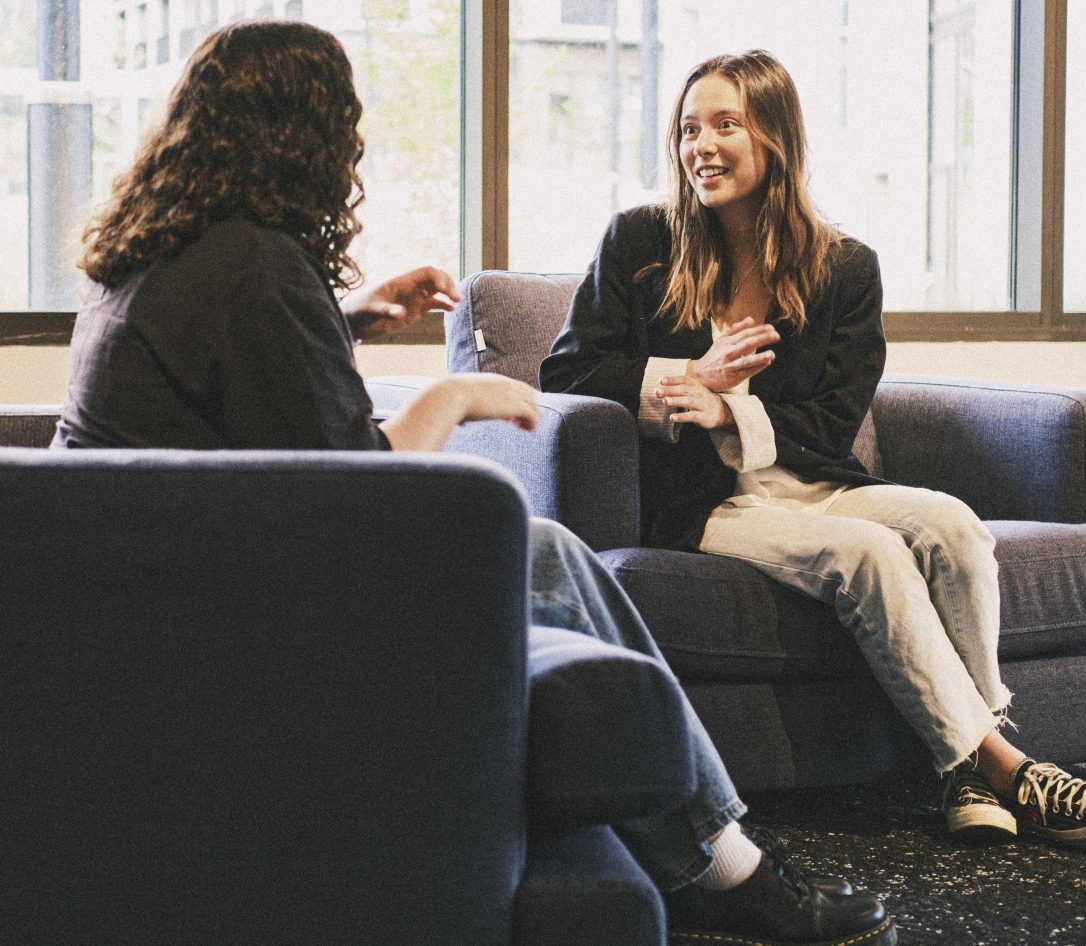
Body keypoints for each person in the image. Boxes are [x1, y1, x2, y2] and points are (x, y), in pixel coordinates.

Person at [51, 22, 897, 946]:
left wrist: (348, 318)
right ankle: (722, 862)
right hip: (223, 601)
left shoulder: (165, 250)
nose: (353, 149)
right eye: (344, 125)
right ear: (301, 135)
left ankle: (707, 844)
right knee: (539, 551)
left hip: (147, 580)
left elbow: (253, 397)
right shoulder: (255, 269)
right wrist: (455, 396)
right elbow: (364, 492)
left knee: (542, 554)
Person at [540, 49, 1086, 858]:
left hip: (812, 480)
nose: (702, 147)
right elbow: (567, 373)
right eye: (689, 128)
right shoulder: (641, 243)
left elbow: (830, 424)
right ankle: (1010, 768)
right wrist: (686, 379)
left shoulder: (842, 268)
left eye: (726, 124)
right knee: (868, 554)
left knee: (953, 526)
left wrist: (729, 405)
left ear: (776, 138)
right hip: (706, 501)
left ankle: (966, 771)